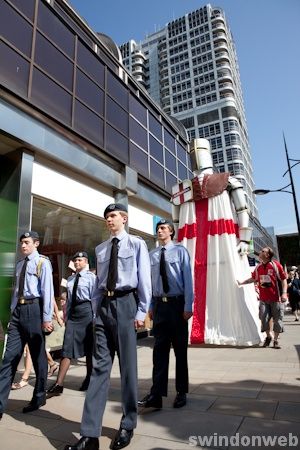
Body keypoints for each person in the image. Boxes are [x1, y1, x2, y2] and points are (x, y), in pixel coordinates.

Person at [64, 203, 152, 450]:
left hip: (126, 304)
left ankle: (128, 424)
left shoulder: (136, 244)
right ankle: (89, 435)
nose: (109, 220)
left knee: (127, 369)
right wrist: (95, 311)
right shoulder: (101, 249)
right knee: (98, 371)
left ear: (124, 218)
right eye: (106, 217)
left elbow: (144, 278)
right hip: (103, 307)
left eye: (113, 216)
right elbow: (98, 283)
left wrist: (142, 310)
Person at [171, 138, 262, 345]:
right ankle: (195, 328)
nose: (196, 155)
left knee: (228, 281)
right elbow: (176, 221)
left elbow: (242, 210)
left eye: (199, 151)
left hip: (222, 240)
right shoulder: (183, 189)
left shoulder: (228, 180)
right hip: (191, 243)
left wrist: (245, 239)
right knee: (191, 280)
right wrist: (177, 243)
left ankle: (227, 328)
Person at [138, 219, 193, 410]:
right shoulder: (152, 255)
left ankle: (181, 391)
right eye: (158, 228)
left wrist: (188, 305)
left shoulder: (180, 251)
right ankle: (156, 394)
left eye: (163, 228)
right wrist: (151, 306)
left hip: (177, 306)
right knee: (159, 352)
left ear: (171, 232)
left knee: (180, 351)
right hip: (160, 307)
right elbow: (151, 283)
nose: (159, 231)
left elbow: (188, 279)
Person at [0, 231, 54, 420]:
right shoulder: (20, 264)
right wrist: (13, 312)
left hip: (34, 310)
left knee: (38, 357)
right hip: (18, 313)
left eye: (27, 242)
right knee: (9, 357)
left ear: (36, 244)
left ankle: (39, 397)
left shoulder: (42, 262)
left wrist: (46, 318)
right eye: (21, 243)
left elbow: (47, 290)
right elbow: (16, 291)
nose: (23, 246)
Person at [47, 252, 95, 396]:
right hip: (73, 315)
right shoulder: (70, 279)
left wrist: (95, 319)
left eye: (80, 260)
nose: (77, 262)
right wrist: (66, 317)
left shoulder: (92, 278)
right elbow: (68, 301)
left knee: (89, 349)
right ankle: (59, 384)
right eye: (75, 260)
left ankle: (89, 379)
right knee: (67, 348)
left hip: (87, 312)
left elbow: (95, 299)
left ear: (86, 261)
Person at [238, 246, 287, 349]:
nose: (260, 252)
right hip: (263, 299)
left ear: (267, 255)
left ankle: (276, 340)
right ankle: (269, 336)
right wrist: (242, 283)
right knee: (263, 318)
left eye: (263, 251)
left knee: (278, 320)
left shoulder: (275, 265)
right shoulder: (258, 267)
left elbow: (283, 279)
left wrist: (284, 293)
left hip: (276, 298)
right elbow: (253, 278)